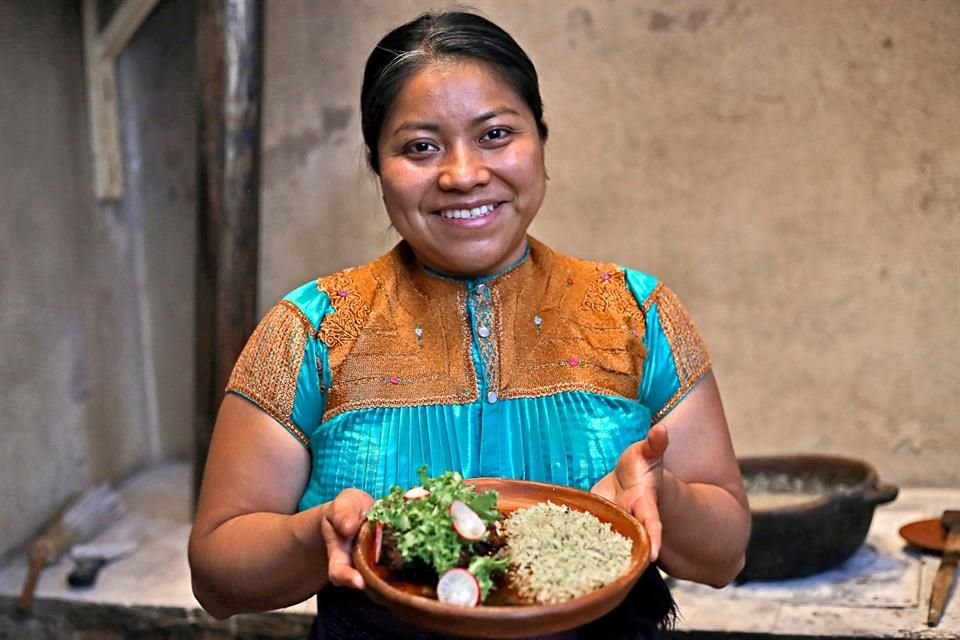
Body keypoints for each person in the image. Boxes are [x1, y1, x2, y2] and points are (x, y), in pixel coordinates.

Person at [188, 10, 750, 640]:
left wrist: (658, 498)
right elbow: (215, 575)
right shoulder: (312, 331)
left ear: (540, 139)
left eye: (495, 135)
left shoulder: (638, 314)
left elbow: (725, 554)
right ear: (377, 165)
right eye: (420, 147)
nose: (462, 175)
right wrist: (311, 536)